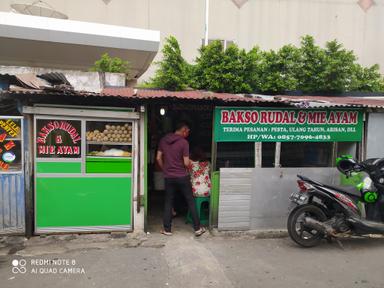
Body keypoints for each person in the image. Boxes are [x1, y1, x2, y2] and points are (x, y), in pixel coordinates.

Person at [156, 122, 206, 236]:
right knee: (190, 201)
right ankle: (197, 229)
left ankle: (167, 230)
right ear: (183, 130)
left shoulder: (163, 140)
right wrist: (190, 168)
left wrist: (165, 169)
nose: (188, 134)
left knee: (168, 202)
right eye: (187, 131)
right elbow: (186, 162)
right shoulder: (184, 142)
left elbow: (158, 158)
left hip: (169, 177)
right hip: (182, 176)